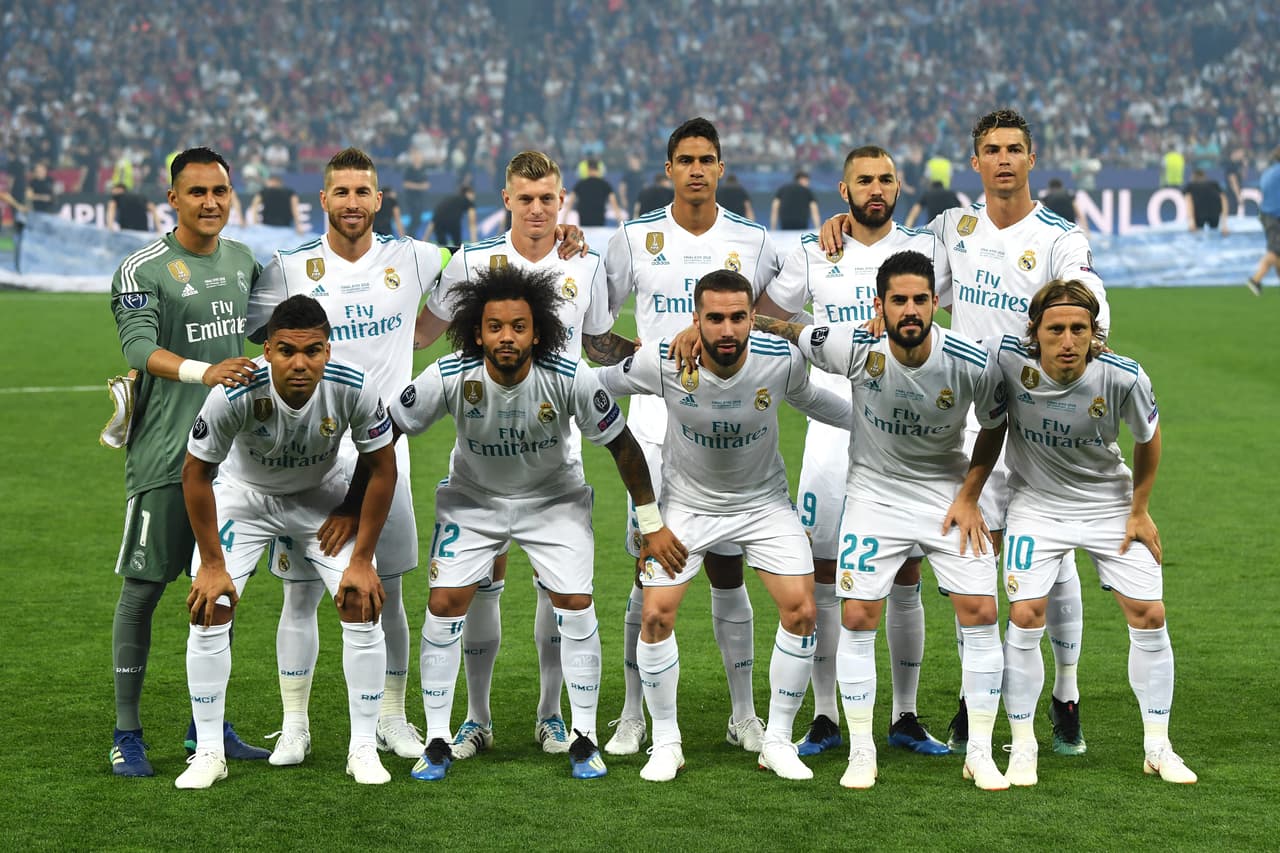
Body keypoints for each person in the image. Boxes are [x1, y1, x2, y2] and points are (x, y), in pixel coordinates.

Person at [821, 108, 1109, 758]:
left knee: (1048, 558)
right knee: (971, 564)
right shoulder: (953, 228)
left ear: (1030, 158)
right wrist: (843, 225)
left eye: (1014, 149)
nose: (1003, 159)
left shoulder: (1061, 237)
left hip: (1039, 420)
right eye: (991, 149)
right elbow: (900, 269)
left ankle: (1063, 692)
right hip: (968, 418)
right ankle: (972, 699)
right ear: (975, 161)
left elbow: (1087, 297)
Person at [390, 264, 685, 781]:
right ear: (477, 331)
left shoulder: (568, 376)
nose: (507, 337)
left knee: (574, 603)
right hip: (473, 500)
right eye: (496, 327)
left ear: (537, 331)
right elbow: (386, 427)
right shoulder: (450, 375)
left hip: (553, 500)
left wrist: (652, 522)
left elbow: (623, 446)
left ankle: (583, 736)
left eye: (519, 327)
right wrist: (352, 507)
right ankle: (438, 739)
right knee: (444, 602)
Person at [756, 249, 1010, 791]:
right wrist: (709, 327)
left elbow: (995, 424)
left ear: (936, 303)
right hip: (873, 499)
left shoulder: (970, 360)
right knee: (857, 617)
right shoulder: (853, 345)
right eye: (899, 301)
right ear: (881, 305)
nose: (911, 309)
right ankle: (863, 750)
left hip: (947, 498)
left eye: (921, 299)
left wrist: (971, 495)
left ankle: (982, 753)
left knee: (981, 611)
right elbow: (784, 327)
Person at [413, 150, 626, 761]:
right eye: (526, 198)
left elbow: (599, 345)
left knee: (554, 591)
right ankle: (474, 720)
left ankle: (552, 716)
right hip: (480, 458)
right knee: (480, 586)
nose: (537, 209)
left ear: (563, 202)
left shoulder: (583, 265)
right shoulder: (474, 261)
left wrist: (671, 356)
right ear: (506, 199)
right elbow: (425, 332)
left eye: (548, 199)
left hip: (556, 457)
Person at [598, 269, 850, 782]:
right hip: (686, 508)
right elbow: (597, 385)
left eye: (738, 317)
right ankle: (666, 742)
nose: (727, 329)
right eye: (715, 318)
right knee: (655, 619)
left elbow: (814, 400)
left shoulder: (778, 360)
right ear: (697, 320)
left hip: (763, 505)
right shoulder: (666, 361)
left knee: (803, 612)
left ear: (753, 318)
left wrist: (871, 420)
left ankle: (777, 740)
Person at [246, 147, 447, 767]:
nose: (352, 203)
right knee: (301, 594)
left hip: (386, 456)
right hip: (309, 457)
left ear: (379, 199)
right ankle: (296, 724)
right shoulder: (288, 267)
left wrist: (565, 237)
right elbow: (262, 339)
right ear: (324, 200)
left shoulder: (415, 258)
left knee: (384, 587)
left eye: (364, 192)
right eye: (342, 193)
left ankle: (391, 716)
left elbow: (482, 272)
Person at [757, 146, 951, 757]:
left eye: (886, 179)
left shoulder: (924, 255)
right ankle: (823, 716)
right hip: (833, 432)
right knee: (822, 571)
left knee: (907, 572)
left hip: (907, 432)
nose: (876, 189)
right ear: (842, 192)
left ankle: (905, 715)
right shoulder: (815, 253)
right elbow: (763, 318)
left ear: (900, 186)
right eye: (863, 180)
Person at [602, 116, 782, 757]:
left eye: (707, 159)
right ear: (669, 169)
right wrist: (653, 360)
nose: (697, 169)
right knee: (647, 571)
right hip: (654, 431)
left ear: (721, 168)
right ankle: (631, 716)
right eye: (686, 160)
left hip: (732, 431)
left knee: (729, 570)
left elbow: (784, 318)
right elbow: (598, 332)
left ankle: (744, 715)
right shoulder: (634, 237)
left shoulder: (755, 241)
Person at [178, 295, 398, 789]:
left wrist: (362, 557)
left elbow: (383, 467)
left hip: (319, 496)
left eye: (313, 351)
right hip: (245, 498)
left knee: (361, 599)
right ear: (268, 350)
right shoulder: (235, 391)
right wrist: (212, 564)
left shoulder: (354, 386)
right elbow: (195, 475)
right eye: (286, 351)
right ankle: (209, 752)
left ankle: (362, 746)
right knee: (210, 605)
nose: (300, 364)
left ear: (327, 350)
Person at [994, 280, 1196, 786]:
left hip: (1109, 504)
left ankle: (1158, 745)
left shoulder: (1124, 377)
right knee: (1024, 614)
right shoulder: (1006, 363)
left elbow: (1148, 440)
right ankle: (1023, 745)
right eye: (1056, 329)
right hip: (1036, 506)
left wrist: (1140, 509)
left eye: (1078, 329)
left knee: (1149, 614)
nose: (1067, 340)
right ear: (1034, 333)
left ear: (1094, 333)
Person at [107, 146, 268, 778]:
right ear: (171, 199)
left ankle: (208, 726)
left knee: (220, 594)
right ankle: (126, 731)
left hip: (232, 461)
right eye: (196, 192)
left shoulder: (242, 261)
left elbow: (273, 330)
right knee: (145, 591)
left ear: (233, 196)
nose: (209, 203)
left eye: (220, 191)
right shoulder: (142, 268)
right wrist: (209, 372)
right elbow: (139, 347)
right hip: (167, 455)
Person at [1247, 146, 1280, 296]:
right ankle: (1255, 279)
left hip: (1266, 214)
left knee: (1277, 251)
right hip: (1275, 216)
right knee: (1275, 251)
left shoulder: (1269, 172)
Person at [564, 158, 622, 226]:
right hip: (599, 221)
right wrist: (620, 221)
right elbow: (614, 203)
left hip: (584, 222)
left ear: (587, 169)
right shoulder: (605, 185)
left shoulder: (580, 184)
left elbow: (570, 202)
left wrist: (564, 219)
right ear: (599, 169)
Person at [1183, 169, 1228, 235]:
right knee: (1214, 235)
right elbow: (1224, 200)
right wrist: (1224, 224)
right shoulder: (1214, 184)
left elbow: (1189, 202)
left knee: (1197, 237)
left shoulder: (1191, 186)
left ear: (1193, 177)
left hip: (1199, 214)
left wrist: (1191, 222)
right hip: (1214, 213)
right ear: (1205, 177)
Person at [402, 148, 432, 239]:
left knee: (418, 218)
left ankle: (411, 235)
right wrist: (419, 186)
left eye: (419, 156)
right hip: (411, 197)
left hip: (420, 198)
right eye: (416, 156)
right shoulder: (409, 170)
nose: (417, 158)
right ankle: (409, 235)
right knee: (414, 217)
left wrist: (418, 186)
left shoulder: (423, 170)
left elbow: (427, 185)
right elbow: (406, 184)